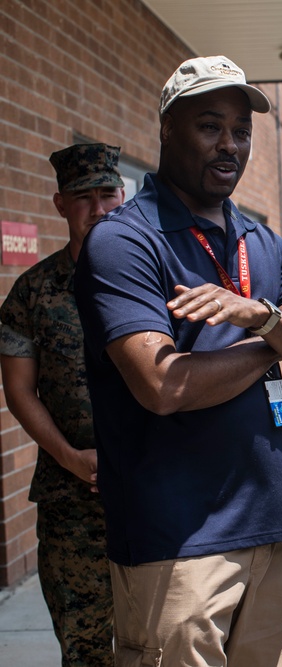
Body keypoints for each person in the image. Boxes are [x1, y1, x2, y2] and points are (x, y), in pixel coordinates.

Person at [74, 55, 282, 666]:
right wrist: (274, 338)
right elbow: (164, 386)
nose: (230, 145)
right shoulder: (125, 241)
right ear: (167, 128)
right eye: (209, 126)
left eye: (242, 131)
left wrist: (264, 317)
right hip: (177, 540)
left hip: (271, 528)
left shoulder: (262, 241)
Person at [0, 143, 125, 666]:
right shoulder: (33, 292)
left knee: (170, 640)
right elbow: (19, 391)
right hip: (72, 500)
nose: (97, 209)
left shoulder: (159, 279)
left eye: (107, 195)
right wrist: (72, 458)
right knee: (85, 648)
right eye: (82, 197)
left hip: (158, 490)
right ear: (58, 204)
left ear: (124, 197)